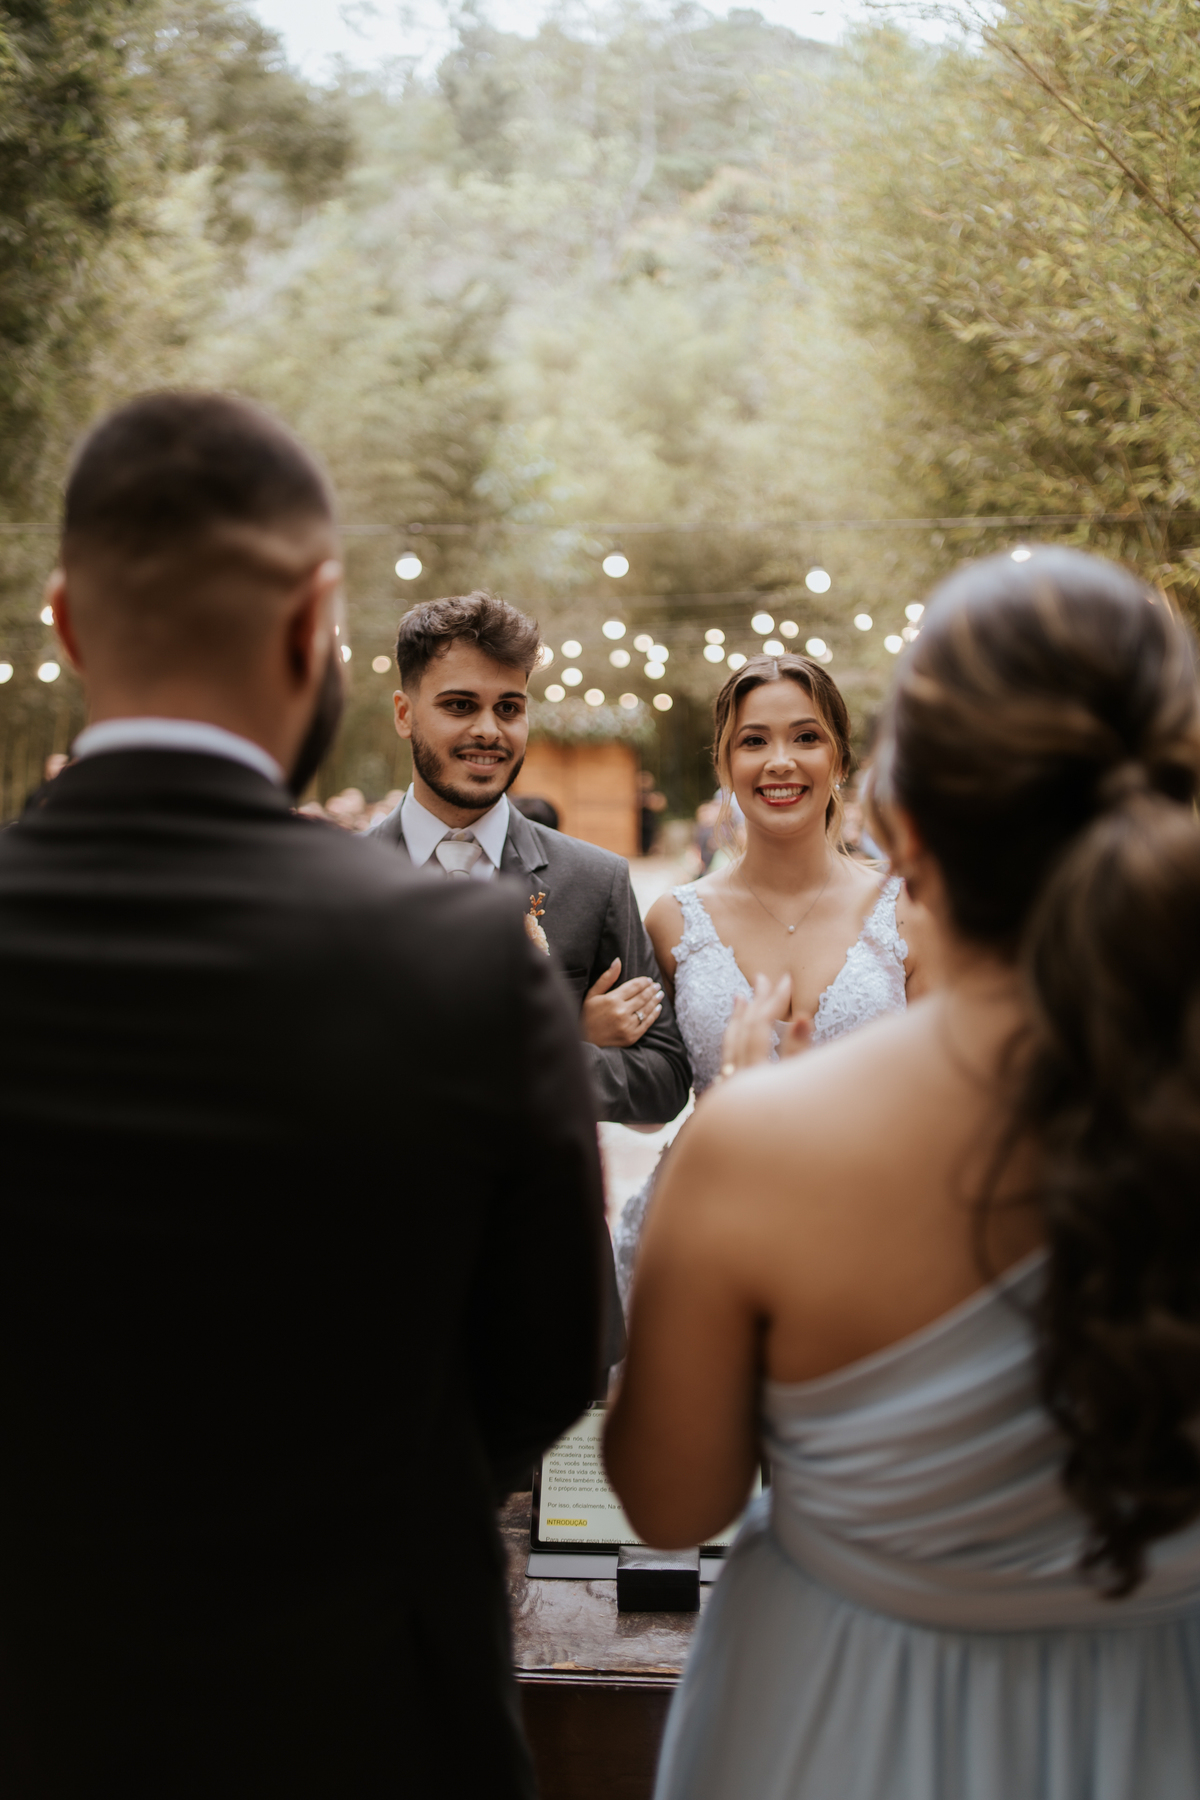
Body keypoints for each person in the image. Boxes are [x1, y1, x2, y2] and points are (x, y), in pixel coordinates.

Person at [0, 392, 606, 1799]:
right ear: (315, 624)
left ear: (70, 628)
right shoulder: (467, 965)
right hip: (365, 1725)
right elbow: (551, 1365)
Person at [605, 548, 1200, 1800]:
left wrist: (743, 1114)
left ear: (905, 825)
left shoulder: (756, 1149)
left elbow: (668, 1497)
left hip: (845, 1724)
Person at [612, 652, 920, 1306]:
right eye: (754, 741)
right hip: (700, 1230)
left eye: (806, 737)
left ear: (840, 761)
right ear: (724, 765)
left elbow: (949, 1102)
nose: (780, 760)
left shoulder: (909, 910)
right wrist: (589, 1036)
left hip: (868, 1234)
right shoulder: (672, 920)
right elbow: (646, 1113)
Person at [368, 594, 690, 1129]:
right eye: (459, 705)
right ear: (405, 714)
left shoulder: (596, 879)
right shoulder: (335, 886)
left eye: (509, 708)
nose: (490, 731)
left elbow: (664, 1082)